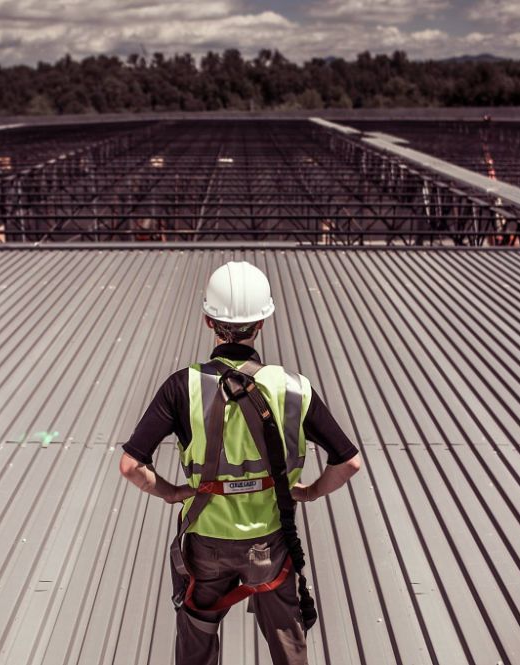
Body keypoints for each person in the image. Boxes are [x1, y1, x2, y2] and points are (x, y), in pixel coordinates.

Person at [119, 260, 361, 665]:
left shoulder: (184, 385)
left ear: (208, 321)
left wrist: (172, 492)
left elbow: (130, 466)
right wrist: (310, 492)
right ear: (262, 322)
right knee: (289, 648)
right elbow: (349, 462)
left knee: (196, 642)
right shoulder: (294, 388)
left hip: (206, 544)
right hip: (270, 544)